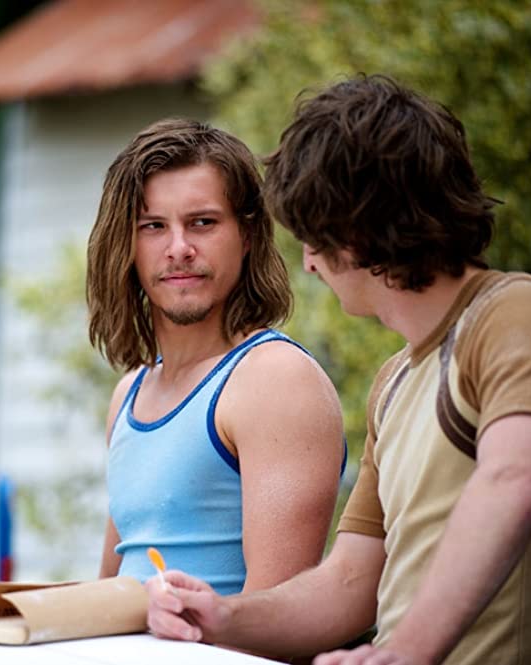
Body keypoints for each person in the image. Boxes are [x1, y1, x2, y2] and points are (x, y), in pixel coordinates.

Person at [146, 75, 531, 664]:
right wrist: (220, 616)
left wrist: (407, 653)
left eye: (313, 238)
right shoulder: (394, 382)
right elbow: (348, 584)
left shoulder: (520, 315)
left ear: (357, 233)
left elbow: (515, 481)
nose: (308, 263)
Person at [86, 118, 345, 597]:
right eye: (153, 226)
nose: (179, 249)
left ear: (247, 235)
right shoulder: (129, 394)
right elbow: (107, 594)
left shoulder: (275, 379)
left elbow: (276, 616)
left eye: (202, 223)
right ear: (126, 245)